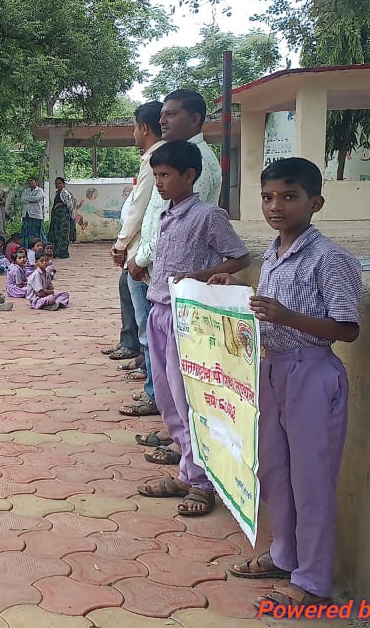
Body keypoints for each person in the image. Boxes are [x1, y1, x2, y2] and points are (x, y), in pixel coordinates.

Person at [212, 158, 362, 608]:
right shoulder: (275, 253)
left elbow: (347, 328)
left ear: (314, 202)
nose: (276, 206)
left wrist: (287, 316)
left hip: (313, 373)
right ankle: (284, 554)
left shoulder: (331, 259)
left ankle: (313, 581)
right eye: (268, 196)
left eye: (289, 196)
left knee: (311, 481)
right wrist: (238, 285)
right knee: (275, 472)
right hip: (273, 369)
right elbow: (269, 308)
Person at [133, 141, 249, 518]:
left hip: (188, 316)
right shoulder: (168, 215)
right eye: (156, 176)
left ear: (189, 176)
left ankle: (201, 482)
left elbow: (240, 256)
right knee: (167, 401)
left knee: (188, 399)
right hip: (159, 311)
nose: (161, 183)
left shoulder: (208, 216)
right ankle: (188, 471)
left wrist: (197, 277)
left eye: (166, 176)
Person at [123, 94, 223, 418]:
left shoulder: (199, 163)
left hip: (178, 287)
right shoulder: (170, 158)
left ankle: (185, 445)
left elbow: (180, 227)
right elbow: (160, 216)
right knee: (163, 359)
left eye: (172, 115)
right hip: (160, 281)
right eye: (162, 115)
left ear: (195, 119)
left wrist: (141, 257)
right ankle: (173, 429)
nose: (163, 121)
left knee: (180, 372)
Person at [110, 102, 163, 395]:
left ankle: (153, 390)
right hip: (139, 251)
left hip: (142, 254)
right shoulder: (155, 158)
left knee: (147, 325)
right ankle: (145, 369)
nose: (133, 134)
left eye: (134, 127)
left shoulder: (155, 159)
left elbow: (142, 210)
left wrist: (121, 245)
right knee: (143, 320)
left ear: (143, 128)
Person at [48, 177, 76, 259]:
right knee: (56, 234)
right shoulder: (58, 193)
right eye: (56, 183)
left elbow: (70, 206)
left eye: (60, 183)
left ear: (63, 184)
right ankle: (57, 251)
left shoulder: (65, 193)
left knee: (62, 234)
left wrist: (60, 206)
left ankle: (63, 252)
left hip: (63, 217)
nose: (58, 185)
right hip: (57, 218)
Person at [20, 177, 47, 248]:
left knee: (37, 232)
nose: (30, 182)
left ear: (36, 182)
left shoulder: (39, 190)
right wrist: (30, 199)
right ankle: (26, 247)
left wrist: (27, 198)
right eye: (28, 181)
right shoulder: (26, 191)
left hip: (36, 215)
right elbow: (22, 199)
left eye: (31, 181)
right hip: (26, 214)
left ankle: (40, 248)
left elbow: (36, 198)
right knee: (26, 232)